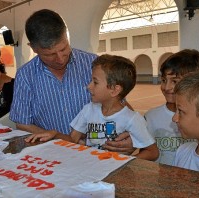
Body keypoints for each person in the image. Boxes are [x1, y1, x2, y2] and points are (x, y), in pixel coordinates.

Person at [10, 9, 134, 155]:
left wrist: (131, 136)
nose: (60, 58)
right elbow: (22, 122)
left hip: (99, 152)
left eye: (63, 49)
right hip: (52, 152)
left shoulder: (93, 64)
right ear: (33, 48)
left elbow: (120, 104)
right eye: (49, 55)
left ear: (66, 35)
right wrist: (58, 139)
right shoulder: (25, 75)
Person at [25, 54, 159, 160]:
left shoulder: (132, 119)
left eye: (95, 82)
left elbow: (152, 152)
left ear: (114, 90)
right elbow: (73, 140)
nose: (88, 86)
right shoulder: (88, 110)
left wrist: (125, 163)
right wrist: (54, 133)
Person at [144, 49, 199, 165]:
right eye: (164, 80)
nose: (166, 87)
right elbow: (146, 151)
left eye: (175, 81)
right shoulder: (151, 117)